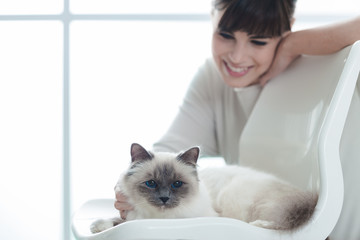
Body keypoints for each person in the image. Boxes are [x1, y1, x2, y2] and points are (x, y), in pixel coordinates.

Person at [115, 0, 360, 239]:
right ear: (212, 17)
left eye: (259, 41)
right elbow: (166, 154)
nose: (237, 57)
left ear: (288, 29)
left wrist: (294, 44)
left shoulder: (329, 67)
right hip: (259, 228)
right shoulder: (212, 77)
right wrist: (129, 186)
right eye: (226, 35)